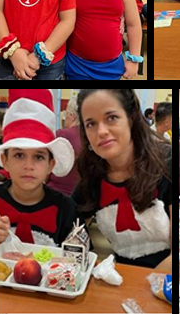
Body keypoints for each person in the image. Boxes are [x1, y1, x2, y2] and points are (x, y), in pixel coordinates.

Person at [73, 89, 172, 271]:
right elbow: (71, 235)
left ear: (131, 118)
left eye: (111, 118)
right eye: (91, 124)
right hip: (122, 278)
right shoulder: (91, 180)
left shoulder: (167, 162)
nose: (101, 131)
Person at [0, 89, 77, 248]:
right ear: (5, 161)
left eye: (38, 157)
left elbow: (78, 257)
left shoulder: (66, 208)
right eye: (19, 155)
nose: (28, 166)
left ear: (50, 165)